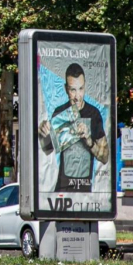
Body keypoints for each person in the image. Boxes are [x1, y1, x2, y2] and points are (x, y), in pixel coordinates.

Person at [38, 62, 109, 192]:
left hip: (85, 189)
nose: (77, 96)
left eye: (80, 89)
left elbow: (105, 157)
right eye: (73, 90)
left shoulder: (93, 114)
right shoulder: (59, 112)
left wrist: (89, 141)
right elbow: (47, 149)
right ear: (66, 89)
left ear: (85, 86)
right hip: (62, 188)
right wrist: (42, 133)